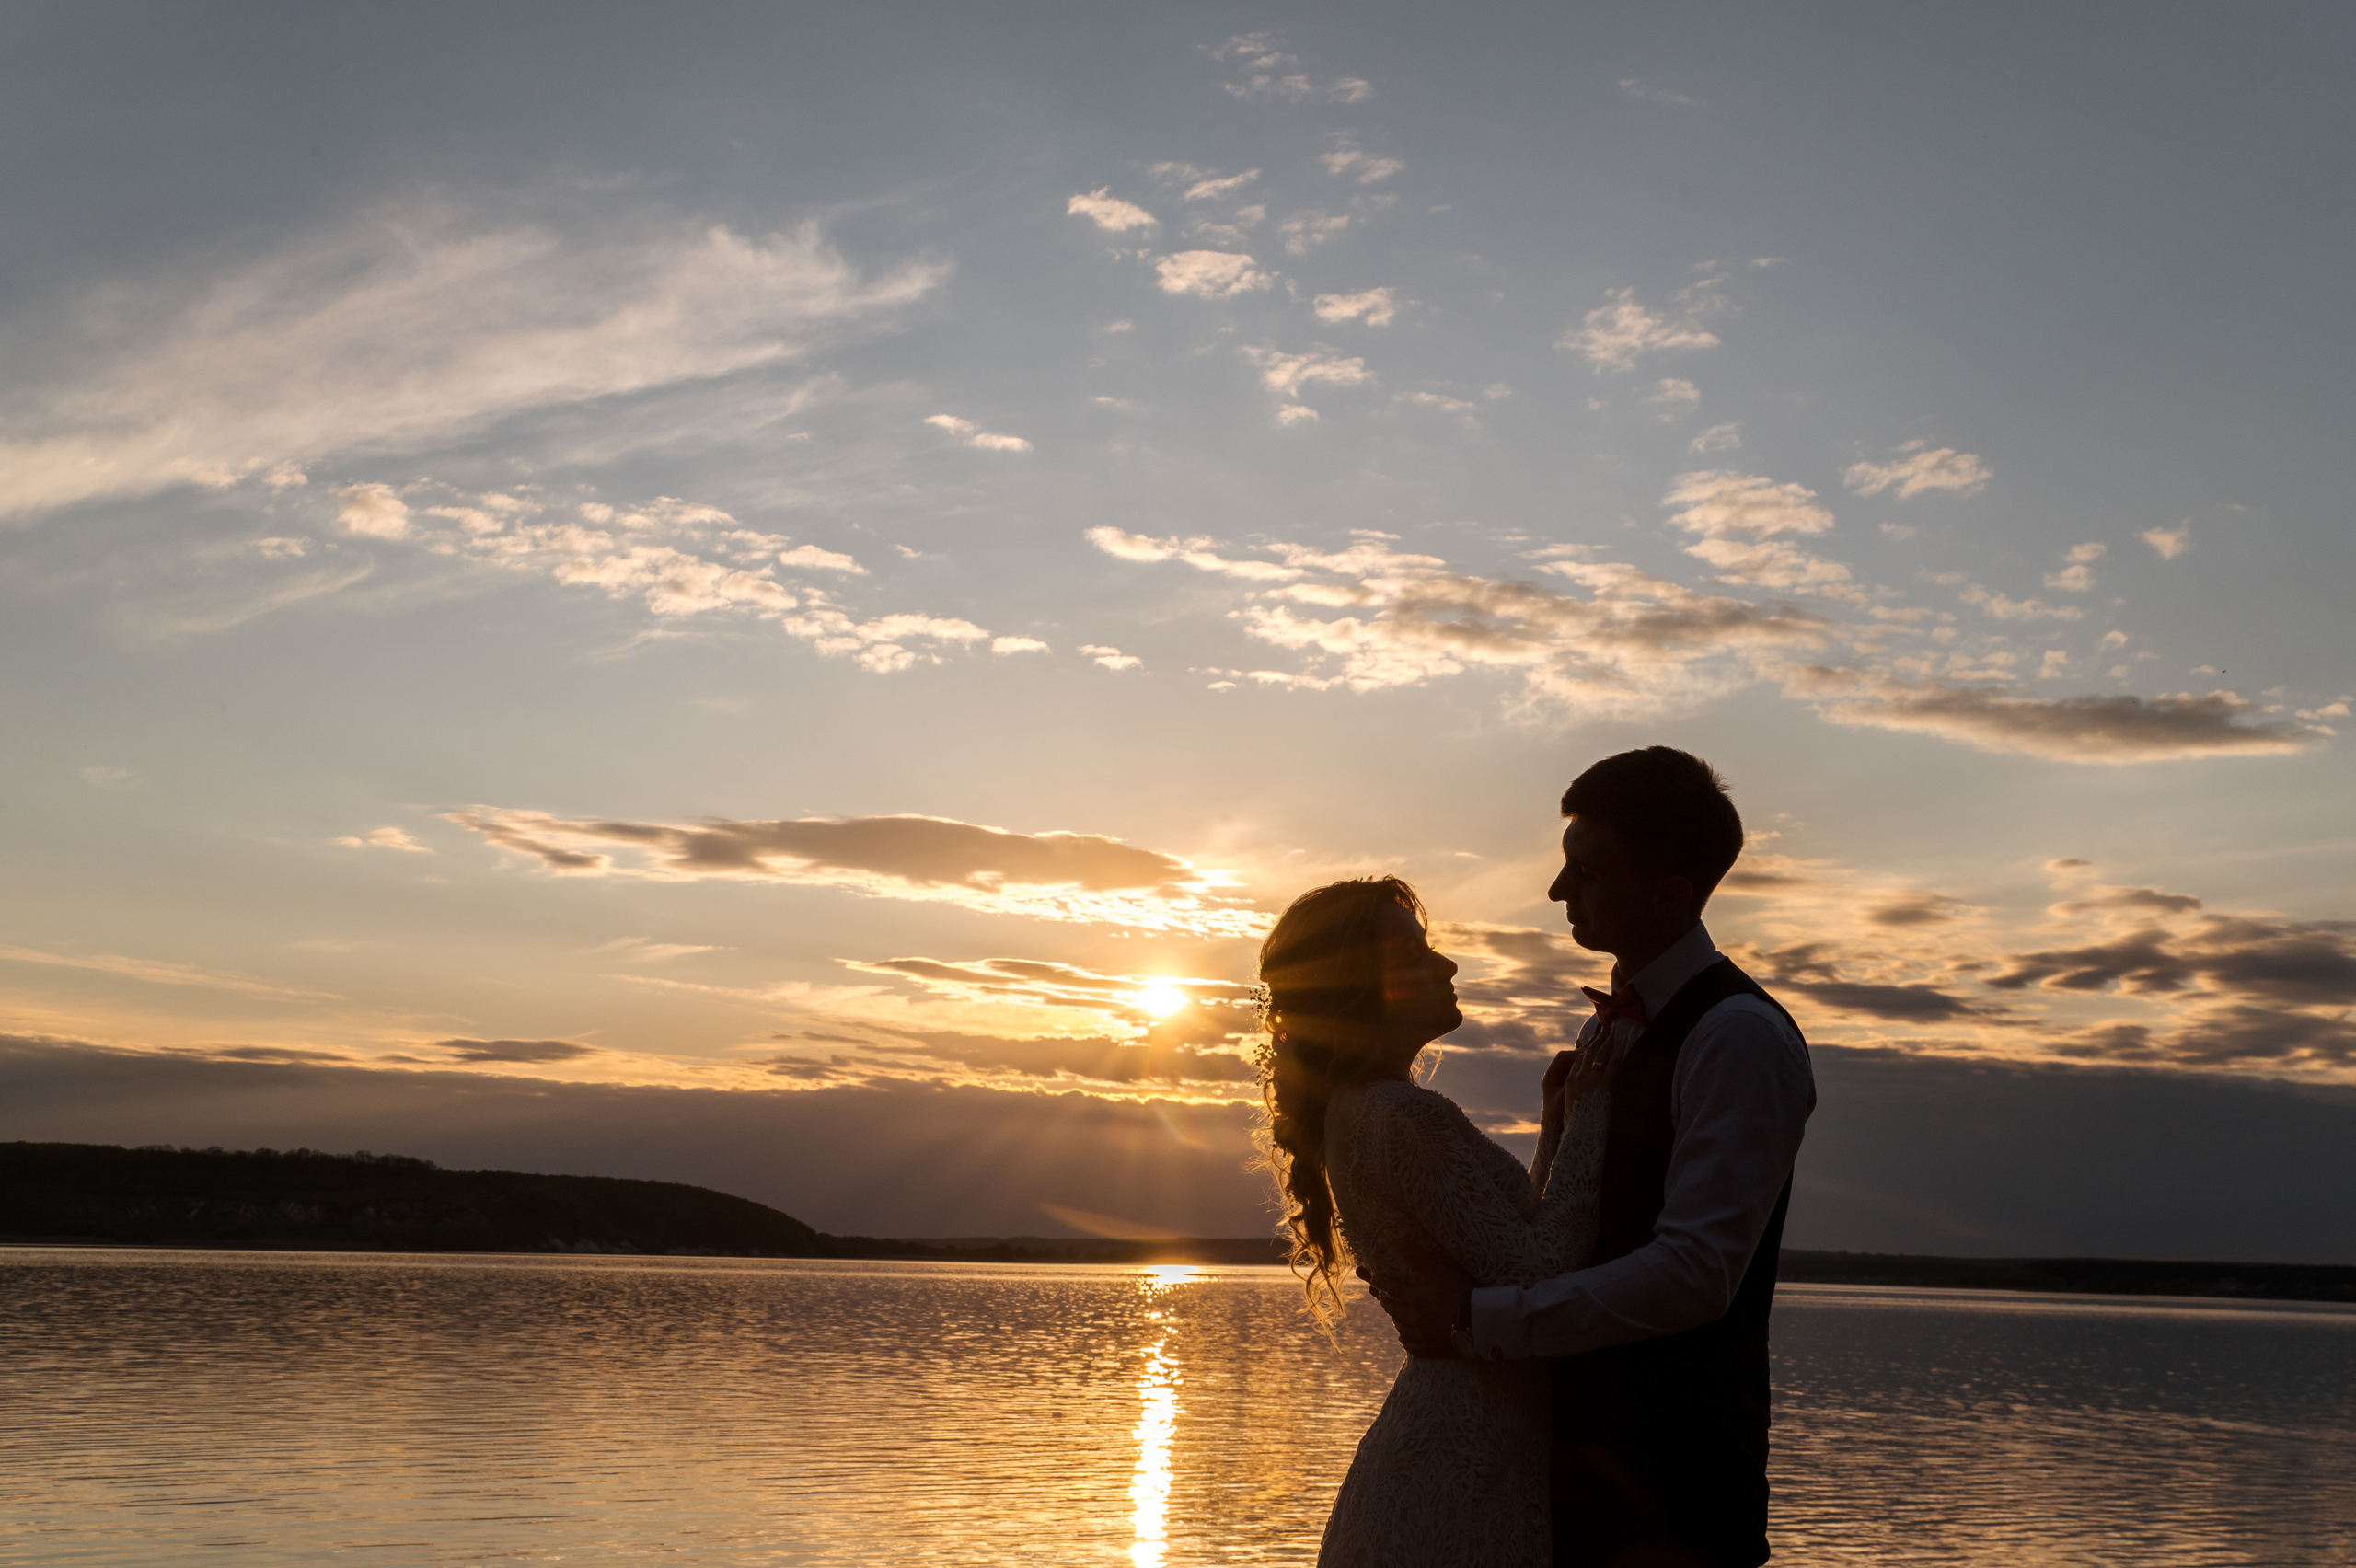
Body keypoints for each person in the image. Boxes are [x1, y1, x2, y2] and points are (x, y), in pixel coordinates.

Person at [1361, 747, 1816, 1568]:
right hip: (1559, 1479)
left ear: (1670, 893)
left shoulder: (1738, 1038)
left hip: (1673, 1492)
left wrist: (1471, 1320)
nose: (1557, 891)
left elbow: (1695, 1272)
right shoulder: (1605, 1030)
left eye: (1587, 870)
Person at [1256, 875, 1612, 1567]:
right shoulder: (1402, 1116)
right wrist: (1595, 1115)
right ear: (1359, 985)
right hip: (1463, 1457)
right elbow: (1542, 1270)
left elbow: (1501, 1246)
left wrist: (1555, 1128)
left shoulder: (1358, 1109)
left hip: (1449, 1438)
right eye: (1416, 956)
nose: (1446, 966)